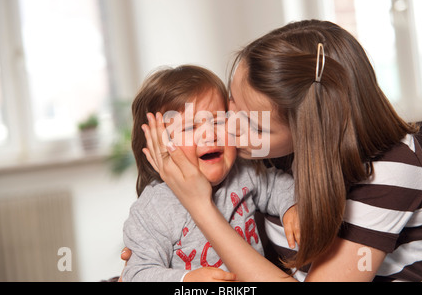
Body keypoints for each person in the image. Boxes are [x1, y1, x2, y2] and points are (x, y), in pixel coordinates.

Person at [140, 20, 422, 282]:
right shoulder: (266, 148)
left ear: (311, 133)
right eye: (231, 104)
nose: (229, 129)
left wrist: (199, 207)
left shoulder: (391, 170)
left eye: (256, 127)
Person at [122, 65, 297, 282]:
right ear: (158, 148)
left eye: (219, 121)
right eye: (189, 128)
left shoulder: (244, 174)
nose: (210, 134)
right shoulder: (154, 209)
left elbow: (276, 184)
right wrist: (186, 280)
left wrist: (291, 206)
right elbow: (135, 274)